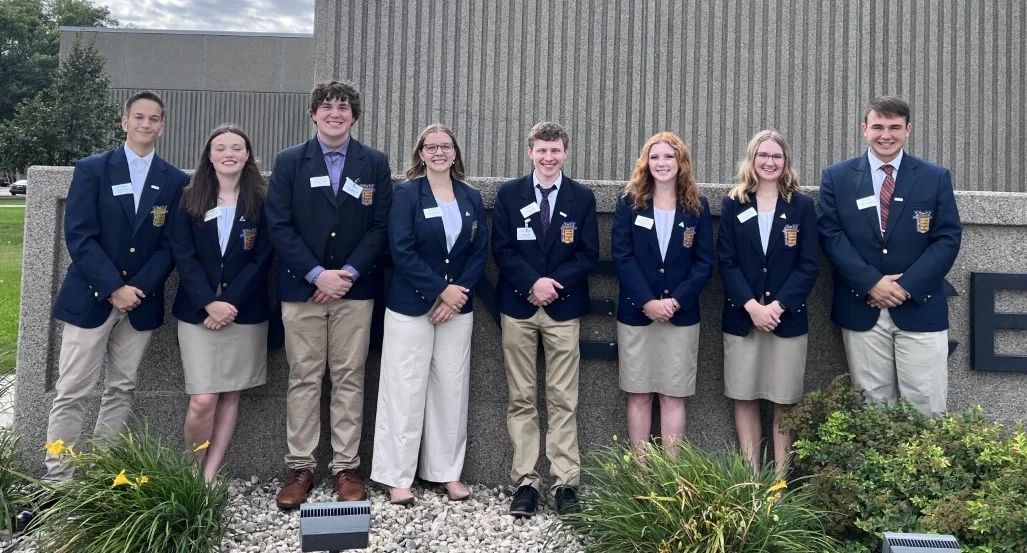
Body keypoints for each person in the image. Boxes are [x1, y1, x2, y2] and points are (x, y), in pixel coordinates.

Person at [44, 91, 189, 480]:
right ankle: (58, 480)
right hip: (91, 297)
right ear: (124, 122)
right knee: (71, 390)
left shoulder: (174, 180)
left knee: (121, 389)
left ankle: (101, 476)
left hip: (140, 303)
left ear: (162, 125)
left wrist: (136, 289)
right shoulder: (93, 169)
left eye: (154, 119)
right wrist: (113, 288)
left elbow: (169, 246)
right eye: (138, 117)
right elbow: (79, 235)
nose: (146, 125)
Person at [266, 81, 392, 508]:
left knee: (350, 378)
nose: (335, 113)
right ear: (313, 114)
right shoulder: (288, 162)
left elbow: (380, 227)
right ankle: (300, 466)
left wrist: (348, 274)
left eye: (343, 107)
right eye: (326, 106)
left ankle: (345, 467)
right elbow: (279, 226)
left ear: (354, 116)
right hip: (301, 290)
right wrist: (318, 275)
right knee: (303, 377)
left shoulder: (374, 162)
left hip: (355, 293)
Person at [818, 96, 961, 417]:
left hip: (919, 307)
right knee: (872, 411)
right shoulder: (837, 177)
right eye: (878, 127)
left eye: (895, 127)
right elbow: (830, 235)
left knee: (925, 408)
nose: (886, 135)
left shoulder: (934, 177)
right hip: (862, 308)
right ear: (864, 129)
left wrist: (905, 286)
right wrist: (871, 283)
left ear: (908, 130)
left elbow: (948, 238)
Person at [370, 124, 488, 505]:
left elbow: (477, 253)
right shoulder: (406, 194)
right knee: (403, 388)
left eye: (446, 146)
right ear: (420, 153)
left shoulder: (470, 196)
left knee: (450, 389)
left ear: (456, 154)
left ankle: (446, 472)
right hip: (410, 306)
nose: (439, 152)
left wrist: (455, 297)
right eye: (431, 146)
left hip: (458, 309)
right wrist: (440, 290)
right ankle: (396, 476)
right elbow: (401, 250)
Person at [492, 121, 599, 517]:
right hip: (518, 307)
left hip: (562, 307)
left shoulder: (581, 197)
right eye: (542, 150)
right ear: (530, 152)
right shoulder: (510, 194)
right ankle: (526, 481)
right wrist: (531, 284)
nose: (549, 157)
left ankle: (565, 482)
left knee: (563, 398)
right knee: (521, 397)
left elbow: (587, 253)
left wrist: (551, 285)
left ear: (566, 153)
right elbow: (501, 249)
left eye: (555, 151)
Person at [168, 125, 273, 482]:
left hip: (243, 315)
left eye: (237, 148)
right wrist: (210, 304)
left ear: (247, 155)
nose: (229, 153)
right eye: (221, 148)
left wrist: (230, 303)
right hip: (199, 315)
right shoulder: (188, 198)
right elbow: (183, 255)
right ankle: (191, 474)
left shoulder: (261, 200)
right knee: (203, 399)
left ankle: (210, 477)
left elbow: (263, 258)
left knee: (230, 395)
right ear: (209, 155)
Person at [717, 130, 818, 474]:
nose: (769, 162)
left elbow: (808, 264)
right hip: (743, 318)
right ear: (752, 159)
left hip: (785, 320)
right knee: (744, 396)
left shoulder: (802, 206)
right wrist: (752, 306)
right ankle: (751, 477)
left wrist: (777, 307)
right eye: (763, 155)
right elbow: (726, 262)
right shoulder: (734, 203)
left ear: (786, 161)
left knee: (784, 400)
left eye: (776, 156)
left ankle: (779, 482)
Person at [610, 132, 713, 455]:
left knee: (673, 395)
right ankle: (639, 477)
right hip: (637, 315)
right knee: (639, 394)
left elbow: (703, 262)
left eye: (669, 157)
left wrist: (675, 301)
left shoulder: (697, 206)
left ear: (681, 162)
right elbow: (622, 256)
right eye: (655, 157)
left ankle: (671, 476)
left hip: (680, 316)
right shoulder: (629, 202)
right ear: (646, 162)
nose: (662, 163)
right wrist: (648, 302)